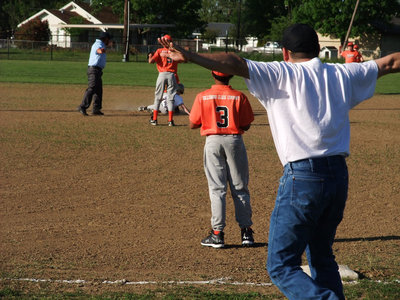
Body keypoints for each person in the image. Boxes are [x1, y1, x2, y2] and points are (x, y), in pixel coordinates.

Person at [158, 23, 400, 299]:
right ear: (319, 49)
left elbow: (234, 62)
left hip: (303, 177)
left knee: (281, 265)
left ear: (285, 52)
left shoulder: (279, 72)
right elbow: (392, 61)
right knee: (321, 256)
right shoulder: (342, 72)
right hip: (338, 176)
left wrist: (191, 56)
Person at [189, 70, 255, 249]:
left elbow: (193, 123)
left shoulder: (203, 96)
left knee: (217, 189)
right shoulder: (238, 96)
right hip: (234, 141)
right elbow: (246, 124)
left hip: (213, 141)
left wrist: (203, 119)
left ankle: (217, 234)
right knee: (240, 187)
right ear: (231, 76)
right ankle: (246, 232)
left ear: (213, 75)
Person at [148, 34, 181, 126]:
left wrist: (150, 56)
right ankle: (170, 121)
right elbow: (182, 59)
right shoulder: (174, 51)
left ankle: (154, 119)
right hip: (172, 75)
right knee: (171, 98)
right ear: (170, 42)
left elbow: (151, 61)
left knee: (158, 97)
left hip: (162, 74)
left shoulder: (159, 51)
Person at [78, 31, 112, 116]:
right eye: (109, 39)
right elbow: (99, 50)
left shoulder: (100, 43)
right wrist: (102, 50)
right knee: (92, 88)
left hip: (97, 70)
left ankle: (96, 109)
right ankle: (82, 106)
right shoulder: (99, 44)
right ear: (105, 39)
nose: (109, 41)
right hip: (94, 70)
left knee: (98, 90)